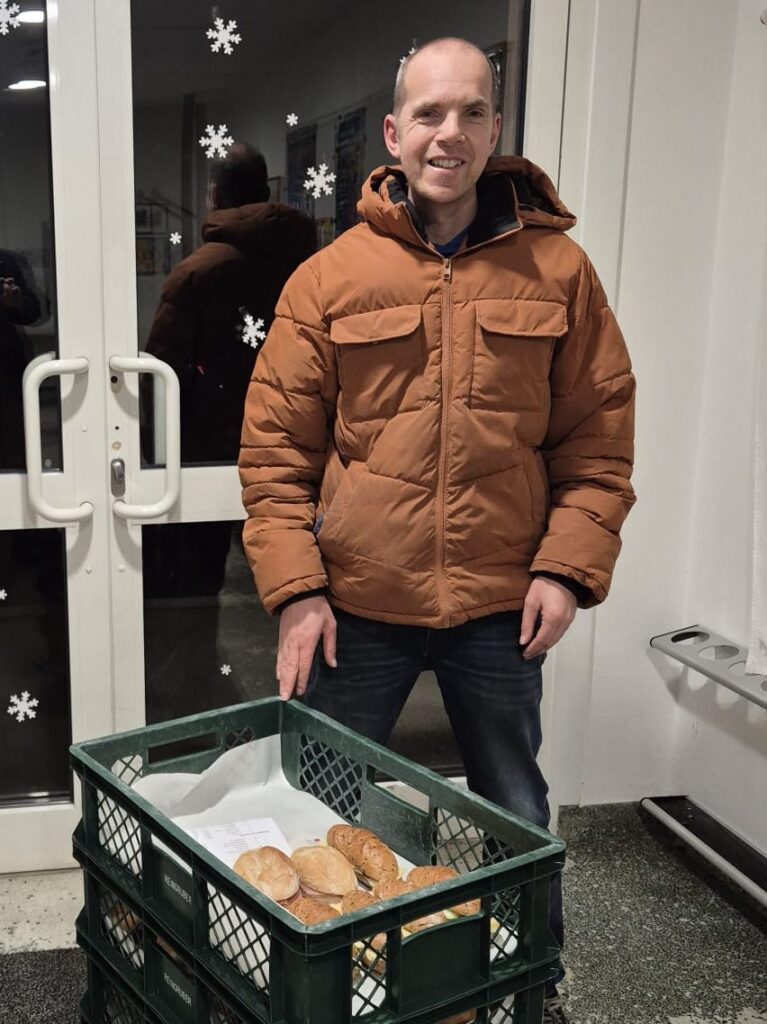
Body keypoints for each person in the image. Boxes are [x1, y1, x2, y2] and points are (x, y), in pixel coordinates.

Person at [239, 38, 636, 1023]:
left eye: (469, 112)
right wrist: (296, 591)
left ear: (494, 128)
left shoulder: (558, 272)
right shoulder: (328, 279)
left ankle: (528, 989)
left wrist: (565, 570)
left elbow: (597, 436)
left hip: (500, 606)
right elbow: (275, 453)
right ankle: (314, 991)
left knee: (514, 814)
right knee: (316, 806)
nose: (447, 133)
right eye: (427, 113)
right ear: (392, 133)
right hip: (356, 607)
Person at [145, 143, 316, 465]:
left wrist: (153, 454)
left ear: (215, 196)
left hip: (211, 450)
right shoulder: (313, 265)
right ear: (266, 193)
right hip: (294, 433)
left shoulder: (195, 274)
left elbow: (162, 372)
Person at [0, 250, 42, 471]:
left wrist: (15, 302)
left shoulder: (6, 260)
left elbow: (36, 311)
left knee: (11, 446)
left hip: (5, 371)